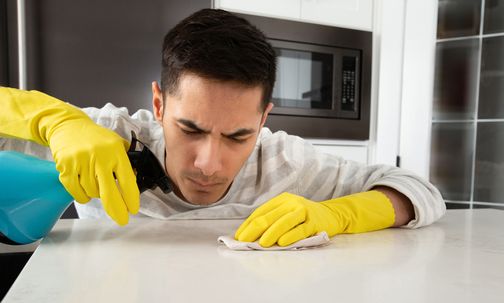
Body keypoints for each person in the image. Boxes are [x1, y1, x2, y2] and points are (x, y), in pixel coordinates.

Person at [0, 9, 445, 247]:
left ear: (264, 119)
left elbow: (420, 192)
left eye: (238, 136)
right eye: (189, 128)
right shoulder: (103, 137)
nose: (209, 164)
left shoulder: (286, 162)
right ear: (158, 103)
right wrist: (52, 121)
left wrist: (338, 214)